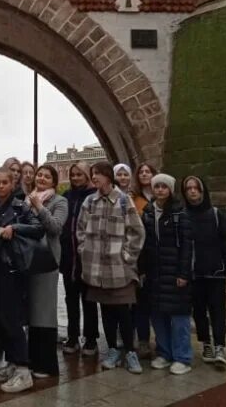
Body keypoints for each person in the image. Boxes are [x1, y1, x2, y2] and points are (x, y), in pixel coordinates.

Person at [76, 161, 145, 375]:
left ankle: (130, 352)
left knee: (123, 311)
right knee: (105, 310)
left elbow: (137, 231)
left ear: (108, 176)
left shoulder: (124, 201)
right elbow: (80, 229)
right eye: (92, 174)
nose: (94, 177)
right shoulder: (89, 201)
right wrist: (84, 250)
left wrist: (127, 256)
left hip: (119, 269)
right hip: (95, 269)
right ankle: (113, 350)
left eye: (97, 174)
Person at [0, 168, 44, 394]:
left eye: (4, 182)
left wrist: (14, 228)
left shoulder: (20, 206)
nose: (0, 186)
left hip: (11, 268)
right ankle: (13, 362)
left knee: (12, 318)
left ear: (12, 183)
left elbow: (38, 228)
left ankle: (24, 369)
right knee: (0, 318)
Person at [183, 175, 226, 370]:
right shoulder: (183, 216)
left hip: (215, 272)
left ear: (202, 190)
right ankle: (206, 344)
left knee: (218, 312)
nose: (192, 191)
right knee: (199, 312)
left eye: (195, 188)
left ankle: (220, 347)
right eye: (188, 188)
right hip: (194, 274)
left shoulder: (216, 214)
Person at [140, 173, 194, 375]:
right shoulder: (147, 212)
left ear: (170, 190)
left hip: (174, 272)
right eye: (157, 186)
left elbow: (187, 246)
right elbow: (143, 245)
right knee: (158, 315)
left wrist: (183, 273)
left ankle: (183, 357)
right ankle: (164, 353)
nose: (160, 190)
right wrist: (143, 270)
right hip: (154, 273)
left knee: (179, 317)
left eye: (164, 186)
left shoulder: (181, 214)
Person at [26, 164, 68, 379]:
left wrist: (39, 208)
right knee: (30, 311)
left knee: (44, 310)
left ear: (54, 181)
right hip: (27, 259)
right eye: (39, 174)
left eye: (46, 176)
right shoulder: (27, 198)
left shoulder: (59, 201)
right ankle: (30, 359)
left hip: (46, 259)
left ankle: (46, 364)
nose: (41, 178)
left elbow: (56, 228)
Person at [59, 162, 98, 357]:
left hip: (87, 257)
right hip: (68, 258)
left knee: (89, 299)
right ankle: (72, 336)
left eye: (79, 175)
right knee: (71, 299)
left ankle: (91, 338)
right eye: (73, 175)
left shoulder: (94, 196)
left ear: (87, 176)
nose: (75, 178)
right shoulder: (67, 196)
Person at [132, 161, 159, 355]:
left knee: (159, 302)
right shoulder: (134, 200)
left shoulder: (162, 197)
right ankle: (142, 340)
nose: (144, 174)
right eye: (141, 172)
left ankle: (162, 340)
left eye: (147, 171)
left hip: (160, 257)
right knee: (141, 302)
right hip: (140, 257)